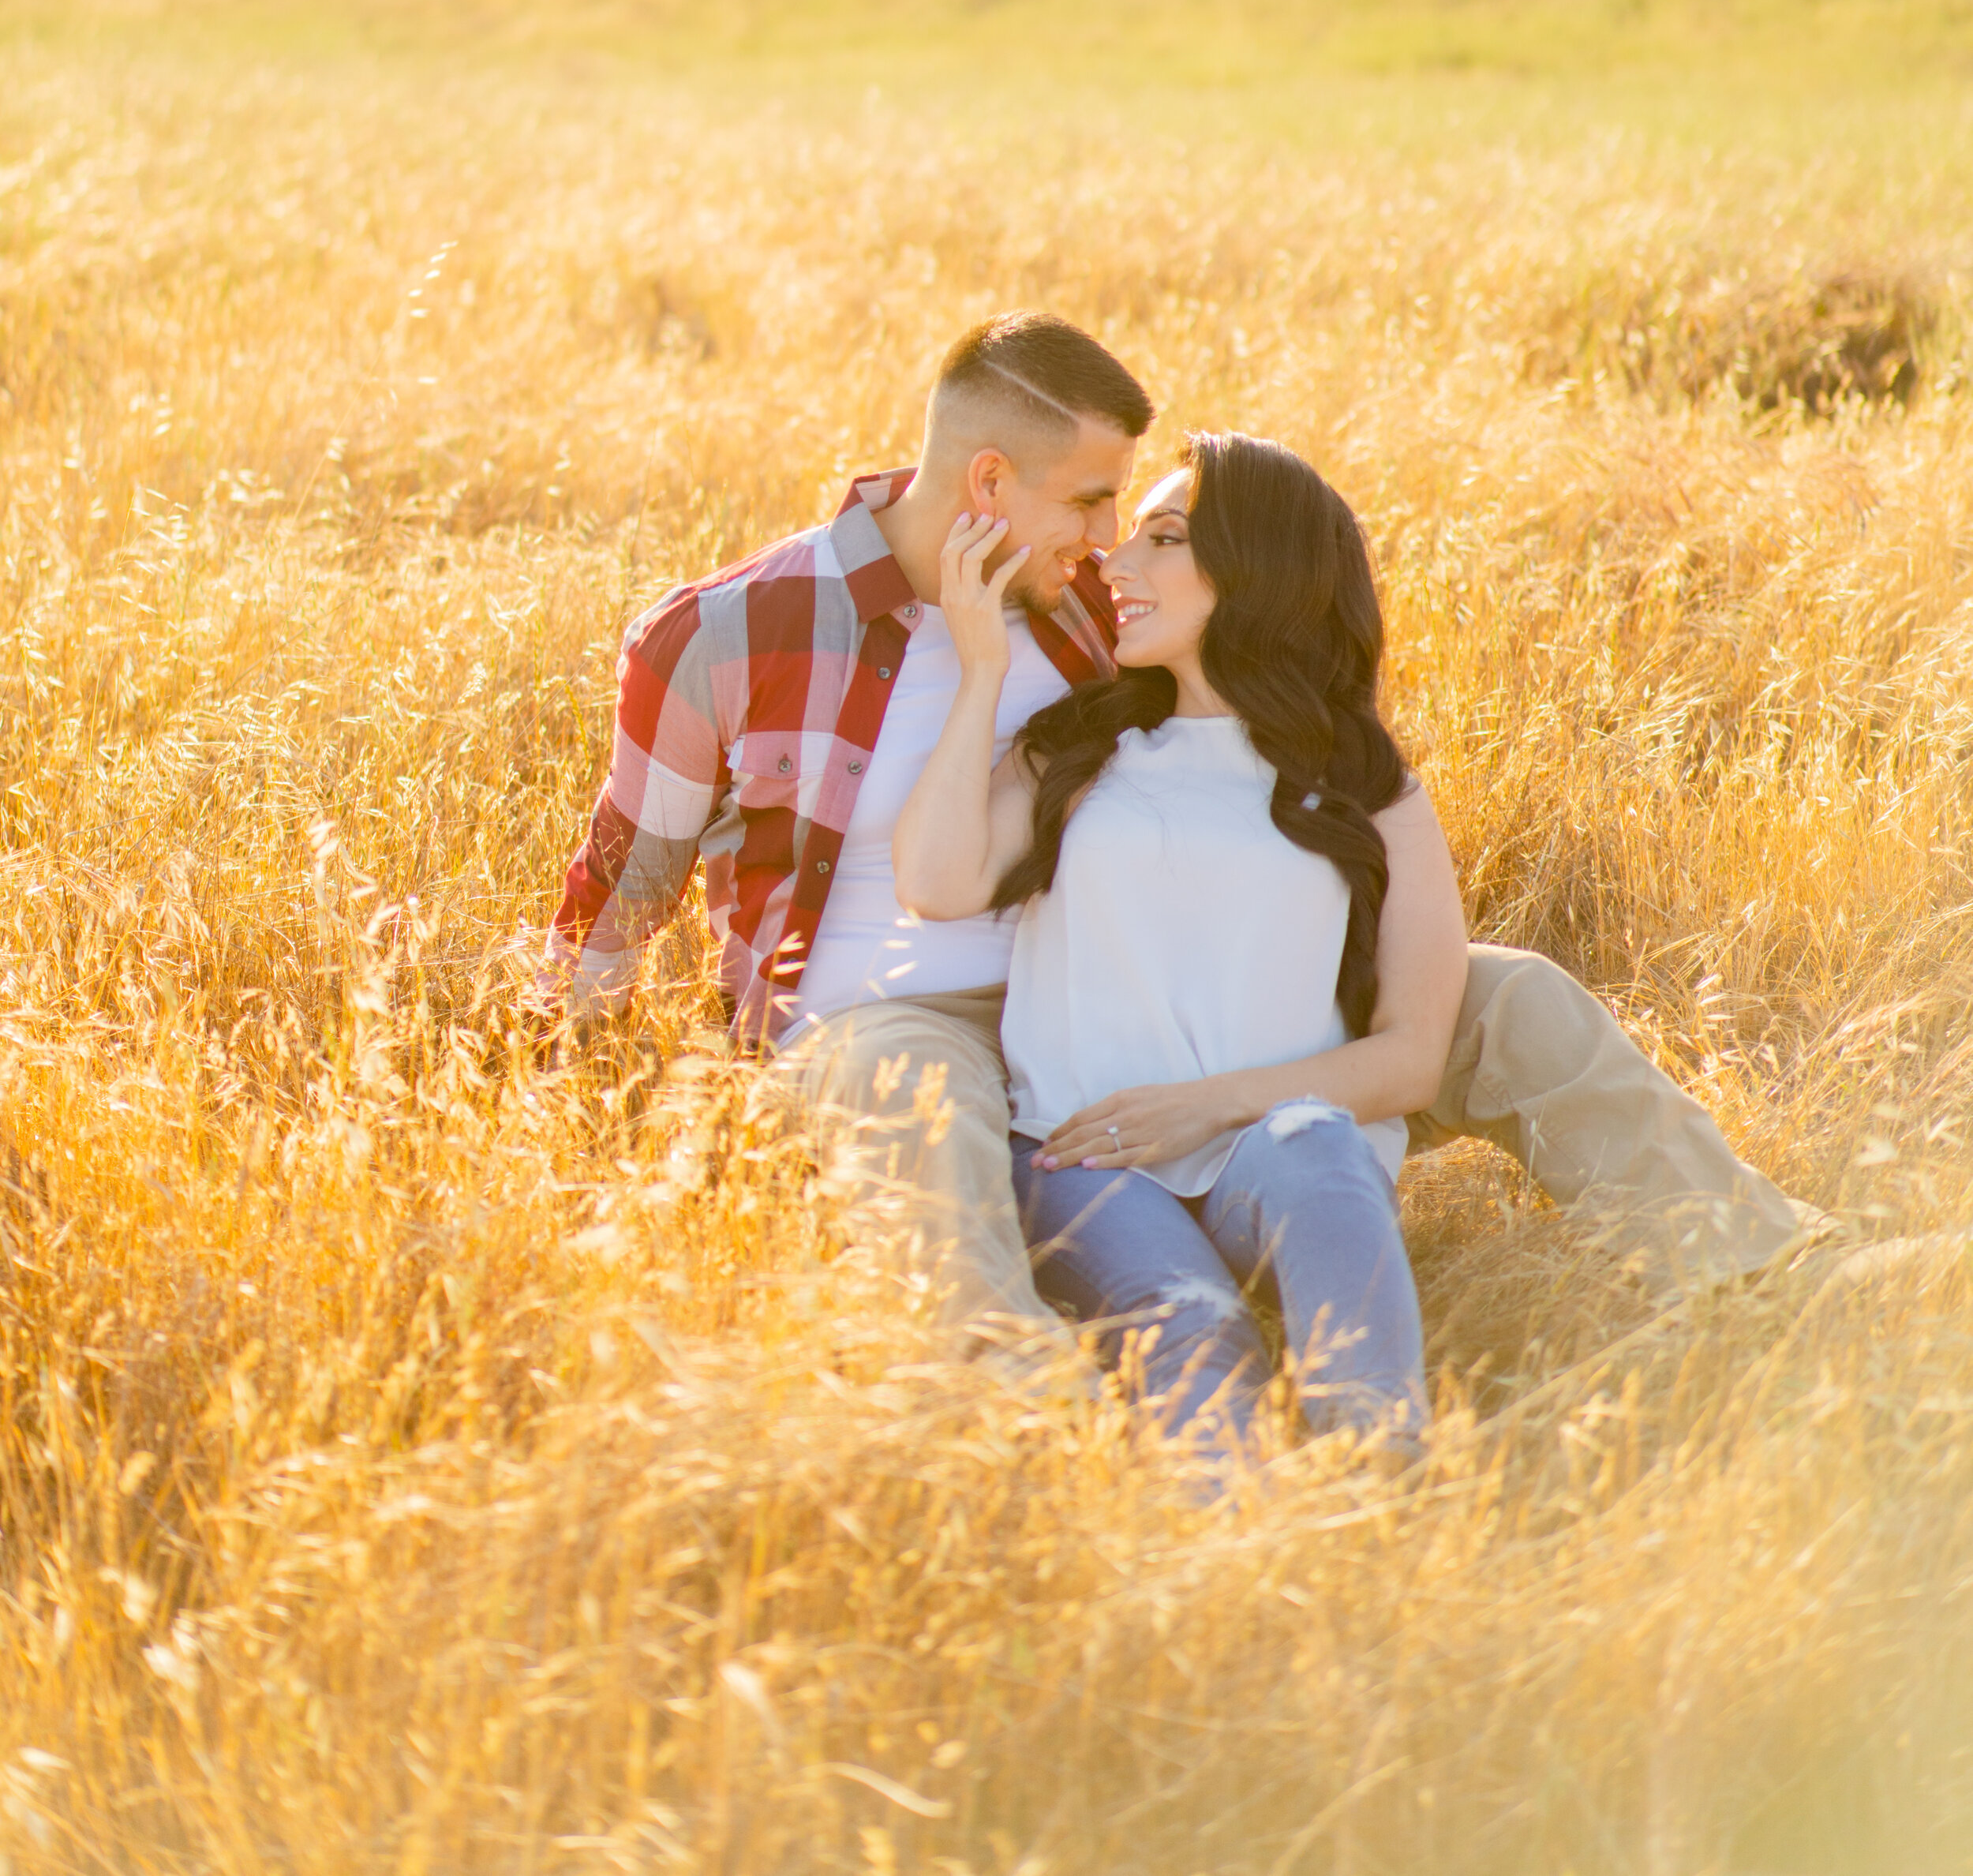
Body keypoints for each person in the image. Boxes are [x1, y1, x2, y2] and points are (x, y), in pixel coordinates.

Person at [540, 310, 1805, 1364]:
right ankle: (1010, 1409)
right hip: (906, 1019)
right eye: (1091, 500)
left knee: (1510, 997)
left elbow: (1250, 731)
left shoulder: (1097, 608)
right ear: (989, 483)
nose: (1108, 539)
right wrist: (572, 1122)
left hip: (1149, 983)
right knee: (916, 1101)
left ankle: (1762, 1266)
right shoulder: (726, 635)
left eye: (1124, 515)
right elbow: (624, 888)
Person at [892, 434, 1466, 1453]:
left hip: (1270, 1159)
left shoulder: (1369, 785)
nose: (1115, 563)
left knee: (1320, 1141)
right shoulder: (1079, 747)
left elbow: (1412, 1056)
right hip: (1083, 1156)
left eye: (1163, 537)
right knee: (1196, 1327)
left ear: (1260, 568)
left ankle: (1384, 1494)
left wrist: (1202, 1107)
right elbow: (937, 883)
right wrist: (981, 668)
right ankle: (1233, 1565)